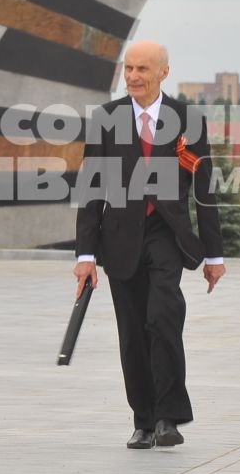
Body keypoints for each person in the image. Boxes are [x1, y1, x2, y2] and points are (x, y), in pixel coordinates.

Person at [73, 40, 225, 451]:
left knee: (163, 317)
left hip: (166, 235)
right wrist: (86, 256)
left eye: (143, 69)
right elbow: (91, 189)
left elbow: (205, 189)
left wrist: (214, 254)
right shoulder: (107, 119)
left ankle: (168, 417)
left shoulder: (187, 120)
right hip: (119, 238)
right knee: (133, 334)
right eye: (129, 69)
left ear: (163, 72)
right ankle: (143, 421)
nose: (134, 77)